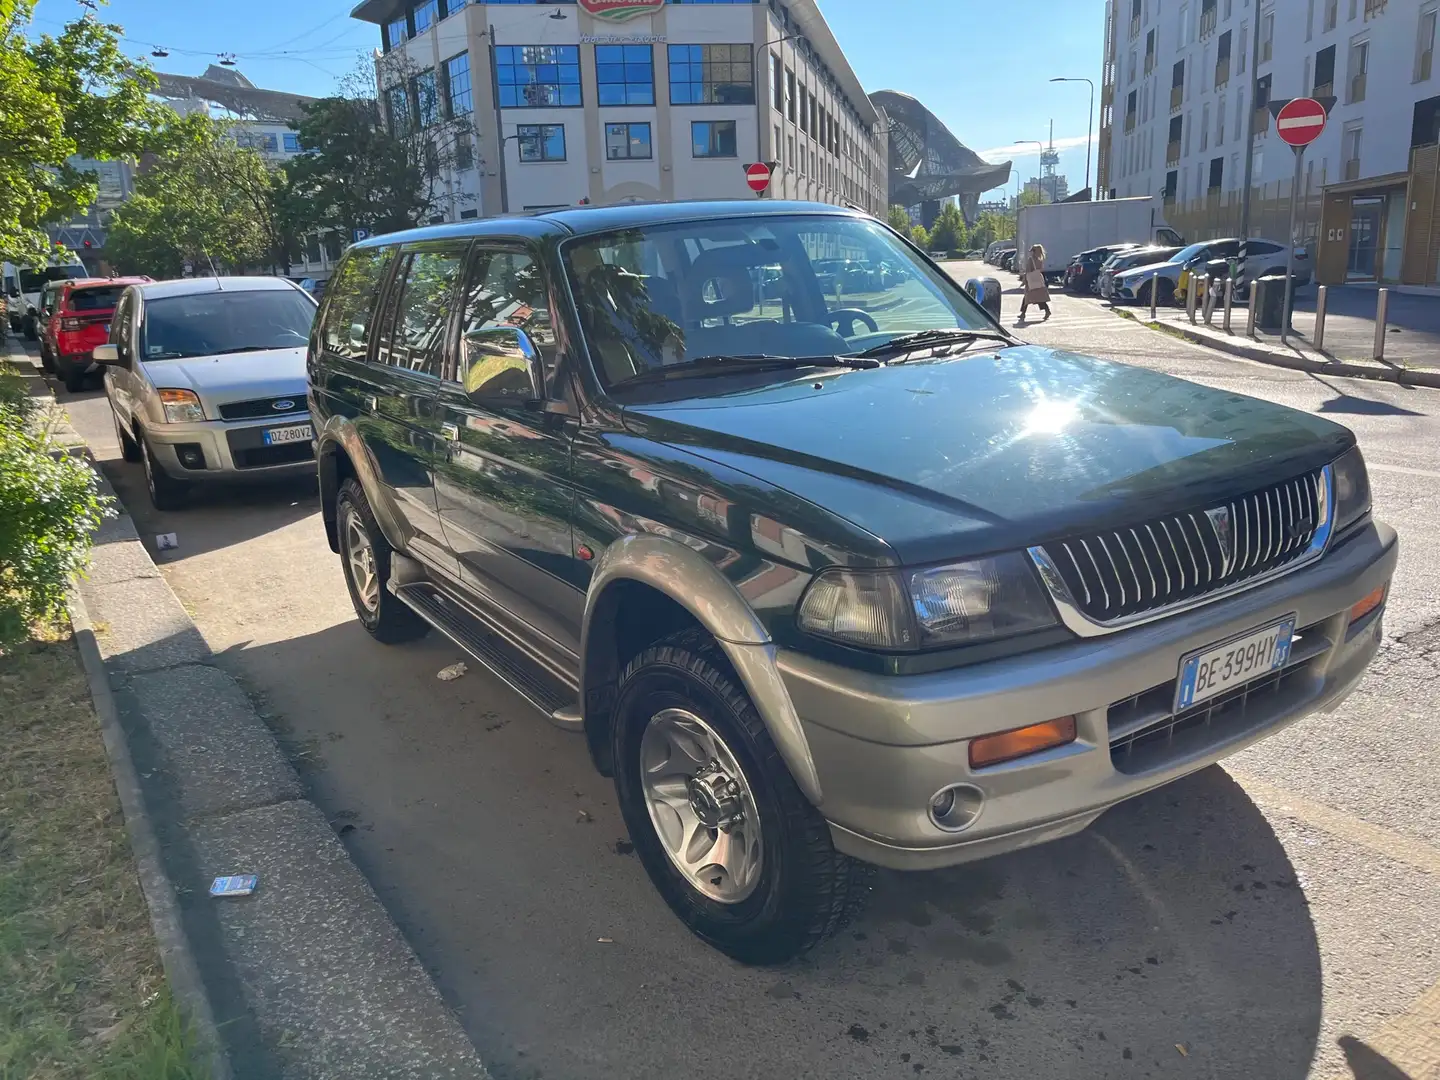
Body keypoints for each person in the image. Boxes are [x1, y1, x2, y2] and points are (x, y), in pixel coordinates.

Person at [1018, 243, 1051, 322]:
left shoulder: (1031, 259)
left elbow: (1028, 271)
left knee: (1027, 297)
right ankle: (1047, 311)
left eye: (1032, 250)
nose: (1031, 252)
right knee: (1039, 297)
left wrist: (1024, 280)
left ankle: (1023, 313)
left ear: (1035, 251)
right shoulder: (1040, 259)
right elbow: (1040, 270)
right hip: (1038, 281)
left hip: (1031, 281)